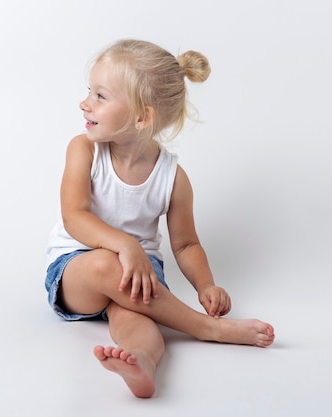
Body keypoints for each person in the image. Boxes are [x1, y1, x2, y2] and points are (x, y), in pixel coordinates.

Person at [44, 39, 275, 398]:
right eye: (90, 91)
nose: (85, 103)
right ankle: (206, 329)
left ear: (142, 117)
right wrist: (126, 247)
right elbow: (74, 216)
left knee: (137, 323)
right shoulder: (84, 149)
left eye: (101, 96)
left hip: (139, 278)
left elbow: (185, 244)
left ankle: (141, 364)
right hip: (79, 271)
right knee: (106, 264)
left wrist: (206, 285)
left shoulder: (173, 177)